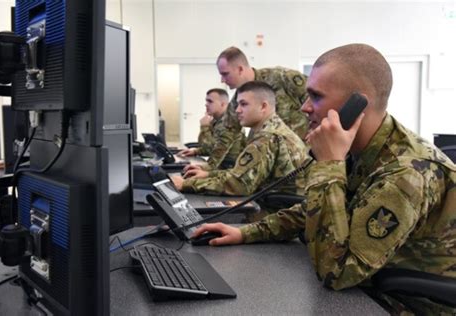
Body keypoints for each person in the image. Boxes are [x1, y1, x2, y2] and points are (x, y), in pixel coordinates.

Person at [192, 44, 456, 314]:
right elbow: (311, 212)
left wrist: (329, 164)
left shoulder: (406, 172)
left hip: (408, 304)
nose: (304, 108)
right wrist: (244, 232)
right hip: (366, 287)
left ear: (357, 105)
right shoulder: (363, 148)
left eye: (316, 97)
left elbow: (338, 273)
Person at [171, 81, 310, 200]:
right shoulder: (275, 128)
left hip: (276, 211)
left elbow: (239, 185)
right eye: (237, 105)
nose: (237, 110)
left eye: (243, 104)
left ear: (263, 106)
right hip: (280, 204)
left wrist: (185, 184)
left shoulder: (267, 137)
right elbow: (242, 174)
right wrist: (208, 174)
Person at [216, 46, 309, 140]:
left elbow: (316, 101)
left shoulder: (282, 78)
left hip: (301, 148)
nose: (222, 80)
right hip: (269, 150)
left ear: (240, 69)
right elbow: (228, 133)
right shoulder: (238, 99)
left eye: (225, 74)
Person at [178, 88, 245, 170]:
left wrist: (204, 128)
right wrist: (196, 151)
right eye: (206, 101)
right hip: (221, 166)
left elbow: (213, 152)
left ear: (223, 104)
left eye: (210, 101)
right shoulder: (216, 121)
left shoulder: (228, 124)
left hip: (229, 169)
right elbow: (211, 147)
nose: (206, 104)